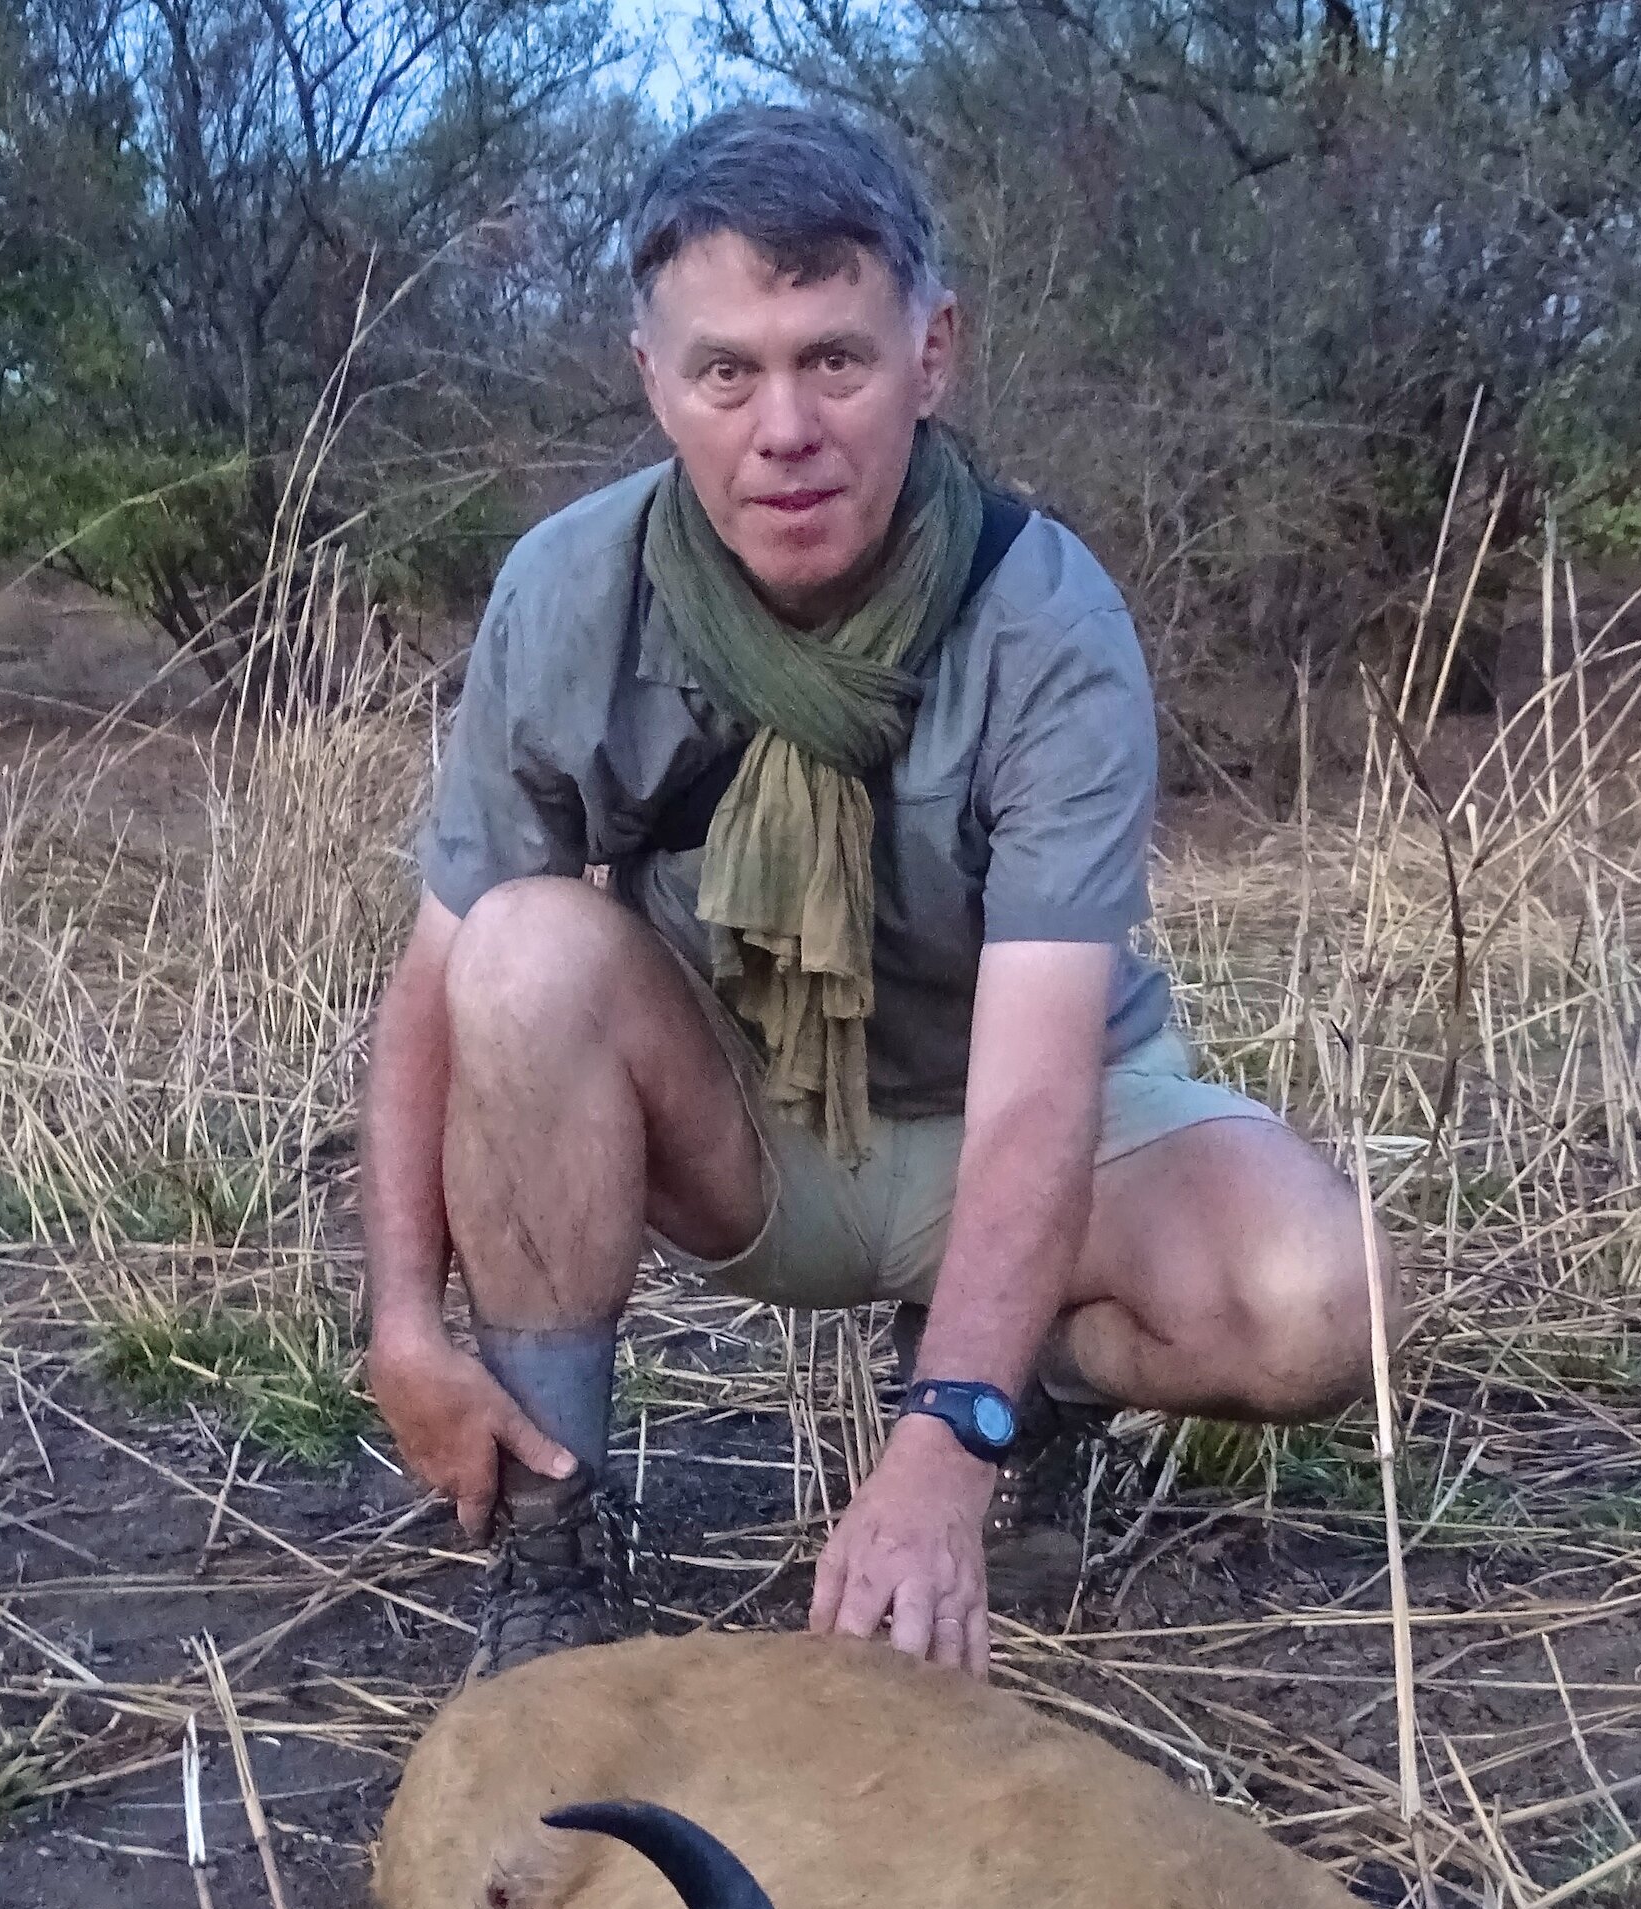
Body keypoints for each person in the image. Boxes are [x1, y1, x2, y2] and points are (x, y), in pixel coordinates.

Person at [361, 101, 1395, 1679]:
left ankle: (1020, 1384)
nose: (784, 427)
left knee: (1317, 1300)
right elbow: (433, 980)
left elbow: (1044, 1088)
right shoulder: (565, 591)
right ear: (656, 383)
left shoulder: (1049, 619)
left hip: (1015, 1119)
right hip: (746, 1135)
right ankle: (555, 1540)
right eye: (726, 370)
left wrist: (944, 1446)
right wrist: (402, 1325)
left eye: (832, 358)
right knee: (518, 950)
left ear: (934, 353)